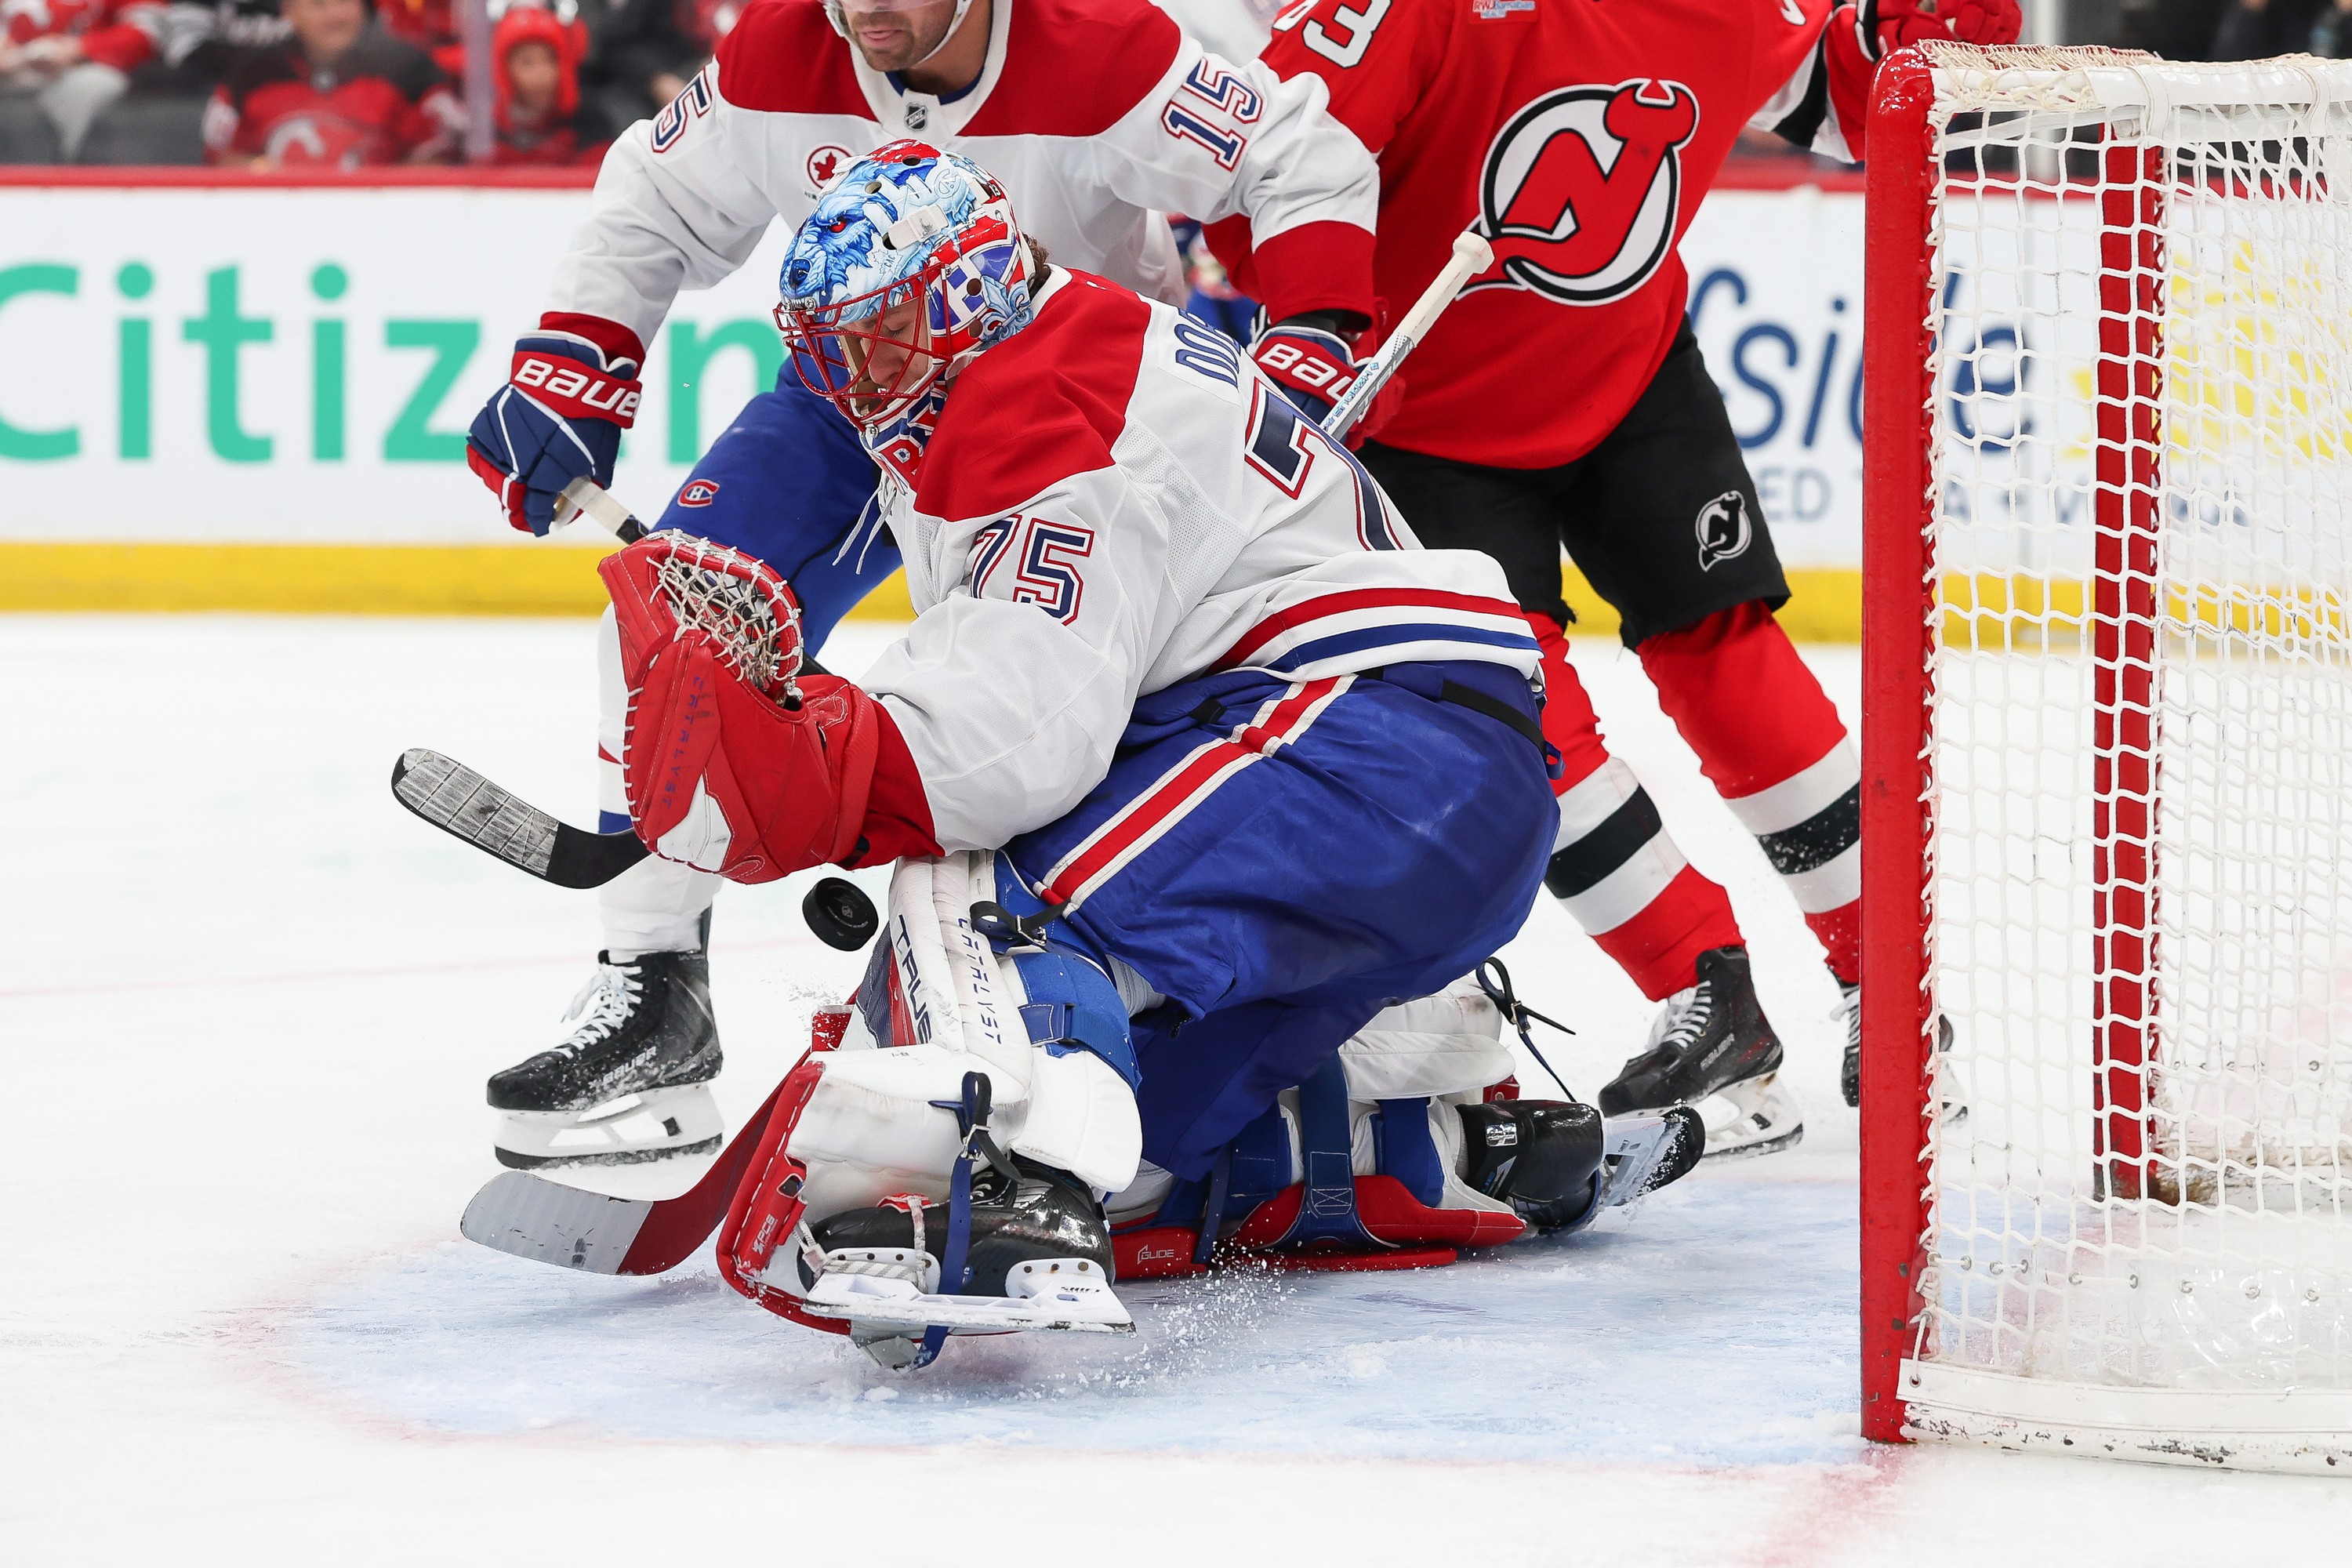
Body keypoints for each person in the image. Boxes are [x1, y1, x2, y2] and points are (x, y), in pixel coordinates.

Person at [594, 143, 1685, 1336]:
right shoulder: (1064, 341)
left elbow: (998, 756)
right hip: (1432, 786)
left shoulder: (1041, 406)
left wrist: (803, 755)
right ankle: (1413, 1142)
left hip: (1351, 744)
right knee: (1155, 1139)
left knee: (984, 897)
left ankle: (1021, 1191)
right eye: (834, 346)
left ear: (963, 299)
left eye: (880, 337)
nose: (855, 379)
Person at [466, 0, 1379, 1171]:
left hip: (1074, 409)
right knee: (668, 613)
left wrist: (1314, 332)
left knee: (1058, 736)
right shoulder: (777, 51)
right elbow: (656, 193)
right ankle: (654, 994)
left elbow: (1305, 153)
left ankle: (1105, 1003)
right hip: (856, 391)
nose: (864, 9)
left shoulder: (1104, 47)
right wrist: (574, 359)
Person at [1204, 0, 2020, 1155]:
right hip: (1425, 422)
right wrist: (1318, 316)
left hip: (1628, 374)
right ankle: (1706, 991)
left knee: (1728, 655)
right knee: (1528, 716)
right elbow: (1261, 178)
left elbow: (1835, 102)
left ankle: (1887, 984)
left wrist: (1913, 38)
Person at [201, 0, 459, 166]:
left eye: (345, 2)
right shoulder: (250, 75)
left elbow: (436, 161)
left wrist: (378, 194)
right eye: (319, 4)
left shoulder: (410, 71)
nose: (336, 15)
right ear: (290, 13)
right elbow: (221, 159)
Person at [0, 0, 162, 159]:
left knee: (89, 84)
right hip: (11, 72)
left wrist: (78, 48)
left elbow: (148, 33)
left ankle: (63, 174)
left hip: (82, 69)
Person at [489, 2, 610, 164]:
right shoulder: (486, 128)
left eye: (551, 60)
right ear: (504, 69)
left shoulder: (587, 121)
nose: (541, 72)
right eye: (527, 62)